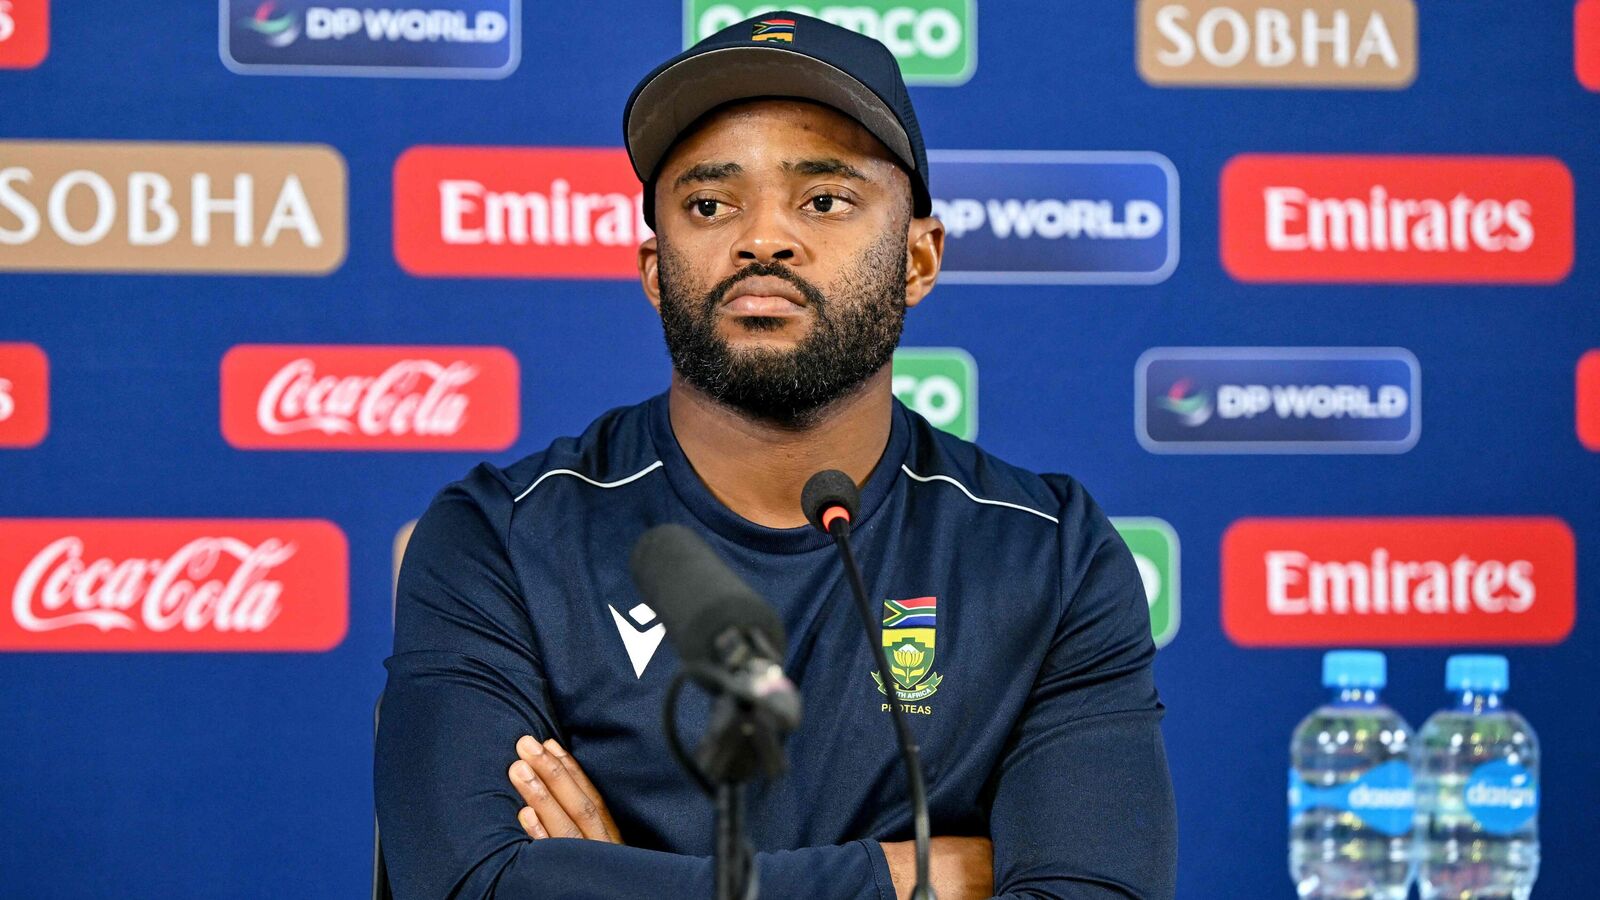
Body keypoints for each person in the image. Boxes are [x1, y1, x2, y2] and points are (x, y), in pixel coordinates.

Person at [375, 11, 1178, 899]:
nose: (763, 240)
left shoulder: (1048, 553)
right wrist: (915, 875)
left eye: (824, 200)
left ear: (919, 258)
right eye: (710, 205)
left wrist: (622, 883)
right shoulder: (500, 539)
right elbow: (469, 888)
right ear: (653, 268)